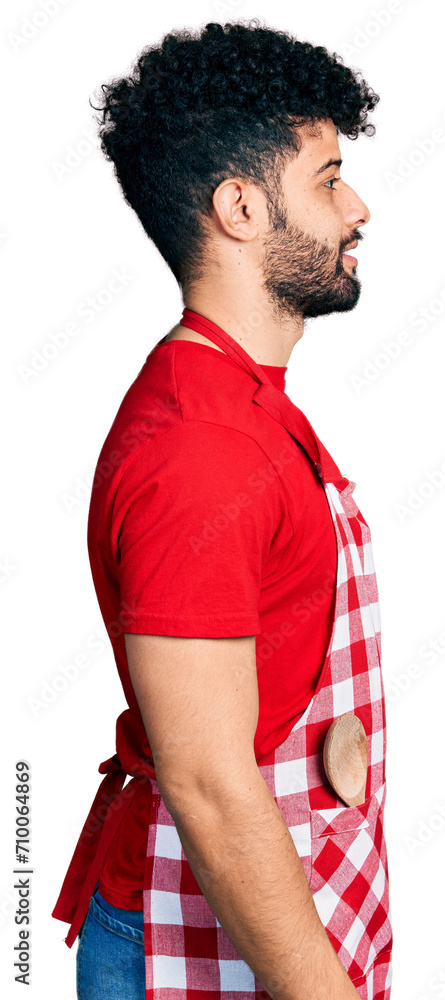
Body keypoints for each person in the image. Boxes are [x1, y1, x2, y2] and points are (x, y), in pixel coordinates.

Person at [52, 19, 393, 1000]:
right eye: (328, 177)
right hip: (189, 940)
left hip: (281, 908)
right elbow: (206, 782)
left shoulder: (248, 401)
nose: (356, 205)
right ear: (240, 207)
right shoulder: (201, 451)